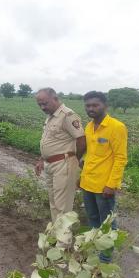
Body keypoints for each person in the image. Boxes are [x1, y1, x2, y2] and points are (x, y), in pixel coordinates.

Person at [79, 91, 128, 262]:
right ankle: (95, 247)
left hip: (104, 186)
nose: (91, 108)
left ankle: (105, 259)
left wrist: (112, 185)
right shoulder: (89, 126)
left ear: (105, 106)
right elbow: (90, 154)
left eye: (95, 105)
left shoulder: (116, 127)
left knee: (107, 223)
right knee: (92, 218)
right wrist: (82, 175)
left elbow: (120, 158)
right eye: (88, 105)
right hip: (87, 183)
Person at [35, 88, 86, 222]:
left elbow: (81, 140)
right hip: (50, 164)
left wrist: (75, 159)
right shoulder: (51, 117)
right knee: (54, 204)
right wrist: (41, 159)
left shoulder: (67, 115)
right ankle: (56, 235)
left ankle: (63, 242)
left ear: (55, 99)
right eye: (39, 104)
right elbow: (49, 141)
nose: (42, 107)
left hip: (63, 164)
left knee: (62, 207)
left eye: (45, 103)